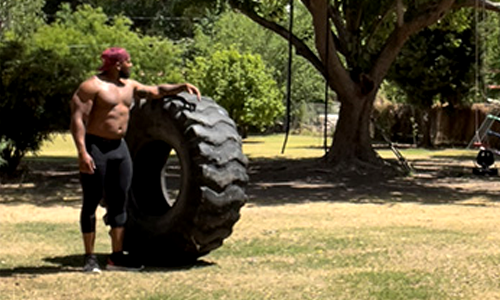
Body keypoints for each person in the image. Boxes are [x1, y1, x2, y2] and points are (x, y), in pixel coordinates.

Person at [70, 47, 201, 273]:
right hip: (96, 147)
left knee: (120, 201)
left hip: (119, 149)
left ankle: (116, 256)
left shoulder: (129, 86)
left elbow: (156, 90)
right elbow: (78, 120)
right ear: (117, 64)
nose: (131, 65)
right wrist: (83, 152)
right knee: (91, 201)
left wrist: (179, 87)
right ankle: (89, 257)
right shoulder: (92, 86)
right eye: (128, 62)